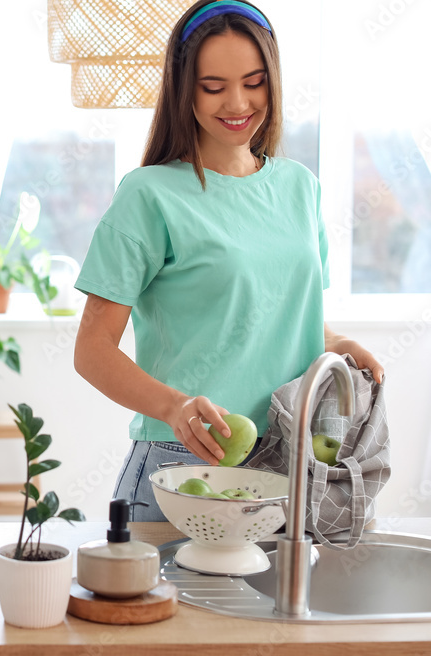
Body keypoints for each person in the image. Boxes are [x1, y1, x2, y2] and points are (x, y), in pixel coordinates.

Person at [73, 0, 384, 522]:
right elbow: (91, 350)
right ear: (184, 89)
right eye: (213, 86)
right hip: (186, 463)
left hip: (292, 461)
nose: (237, 102)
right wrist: (174, 408)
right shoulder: (149, 195)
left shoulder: (299, 188)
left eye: (254, 81)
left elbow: (282, 312)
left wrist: (339, 344)